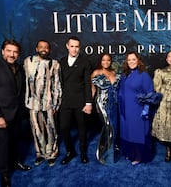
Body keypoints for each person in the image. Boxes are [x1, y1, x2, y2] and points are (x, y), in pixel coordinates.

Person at [0, 39, 31, 187]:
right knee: (3, 144)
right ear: (2, 51)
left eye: (15, 52)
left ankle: (16, 162)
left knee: (15, 141)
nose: (12, 54)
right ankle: (4, 174)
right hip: (1, 114)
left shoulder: (19, 68)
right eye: (9, 51)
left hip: (16, 113)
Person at [24, 40, 62, 167]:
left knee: (51, 129)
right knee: (36, 130)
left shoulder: (54, 64)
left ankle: (51, 154)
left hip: (49, 103)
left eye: (46, 47)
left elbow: (57, 85)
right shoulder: (27, 62)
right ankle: (40, 154)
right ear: (36, 48)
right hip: (33, 104)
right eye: (41, 47)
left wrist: (56, 103)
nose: (44, 49)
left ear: (49, 50)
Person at [59, 36, 92, 165]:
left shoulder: (85, 62)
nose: (74, 49)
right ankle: (69, 151)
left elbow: (87, 83)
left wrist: (88, 103)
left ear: (80, 47)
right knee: (64, 127)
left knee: (82, 128)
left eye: (77, 46)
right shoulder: (61, 62)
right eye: (72, 46)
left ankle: (83, 153)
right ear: (67, 46)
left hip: (80, 101)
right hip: (65, 101)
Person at [118, 51, 155, 165]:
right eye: (129, 60)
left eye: (134, 59)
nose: (131, 62)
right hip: (125, 109)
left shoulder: (143, 75)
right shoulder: (125, 75)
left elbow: (150, 93)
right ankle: (131, 153)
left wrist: (146, 110)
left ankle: (139, 156)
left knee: (137, 133)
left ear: (138, 60)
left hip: (137, 109)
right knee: (127, 132)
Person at [91, 53, 121, 165]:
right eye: (104, 60)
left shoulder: (114, 72)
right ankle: (104, 153)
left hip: (114, 103)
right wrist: (89, 104)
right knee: (108, 126)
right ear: (100, 61)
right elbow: (92, 90)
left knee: (114, 127)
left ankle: (111, 149)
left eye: (108, 60)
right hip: (102, 103)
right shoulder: (96, 73)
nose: (106, 62)